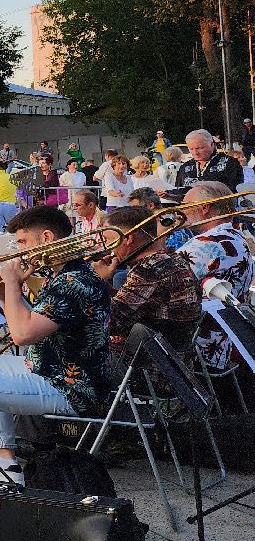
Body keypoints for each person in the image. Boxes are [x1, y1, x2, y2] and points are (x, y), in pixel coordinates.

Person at [0, 205, 113, 484]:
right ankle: (6, 461)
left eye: (22, 242)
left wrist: (12, 286)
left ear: (46, 238)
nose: (19, 251)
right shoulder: (63, 274)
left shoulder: (72, 282)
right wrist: (4, 295)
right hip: (53, 368)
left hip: (69, 386)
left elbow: (22, 335)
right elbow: (35, 321)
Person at [94, 206, 202, 373]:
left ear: (128, 238)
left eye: (109, 240)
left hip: (149, 370)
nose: (108, 247)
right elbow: (135, 304)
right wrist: (106, 287)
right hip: (174, 363)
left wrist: (96, 281)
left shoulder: (148, 269)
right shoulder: (173, 259)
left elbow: (108, 323)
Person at [175, 182, 252, 369]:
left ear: (204, 208)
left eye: (185, 205)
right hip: (220, 346)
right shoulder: (236, 237)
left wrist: (157, 236)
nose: (179, 211)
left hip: (193, 353)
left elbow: (155, 279)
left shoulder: (205, 243)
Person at [175, 129, 244, 193]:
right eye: (191, 149)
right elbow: (178, 191)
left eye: (199, 148)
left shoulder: (229, 163)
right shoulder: (185, 167)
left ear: (212, 145)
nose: (195, 153)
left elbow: (235, 190)